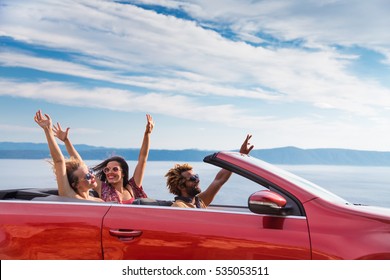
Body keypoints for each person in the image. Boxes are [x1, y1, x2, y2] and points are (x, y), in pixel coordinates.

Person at [52, 114, 155, 204]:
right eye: (107, 169)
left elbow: (142, 159)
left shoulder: (132, 187)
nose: (109, 172)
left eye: (114, 169)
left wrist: (147, 134)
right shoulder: (103, 188)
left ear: (123, 173)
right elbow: (81, 164)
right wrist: (66, 141)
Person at [165, 134, 254, 208]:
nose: (197, 180)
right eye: (192, 178)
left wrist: (240, 155)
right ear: (181, 186)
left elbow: (219, 180)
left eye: (197, 176)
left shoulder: (199, 202)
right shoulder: (178, 206)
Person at [34, 110, 103, 202]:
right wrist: (47, 130)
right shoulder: (70, 196)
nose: (92, 176)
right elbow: (59, 161)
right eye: (87, 177)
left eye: (90, 172)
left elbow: (81, 164)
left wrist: (66, 141)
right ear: (75, 184)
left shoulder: (99, 201)